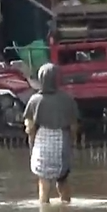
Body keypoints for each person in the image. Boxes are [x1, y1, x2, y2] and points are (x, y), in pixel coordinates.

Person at [24, 63, 79, 204]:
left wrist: (31, 143)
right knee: (62, 180)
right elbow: (73, 126)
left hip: (42, 144)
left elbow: (30, 128)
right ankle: (66, 207)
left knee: (43, 181)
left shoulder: (34, 100)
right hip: (62, 144)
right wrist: (73, 142)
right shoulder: (67, 100)